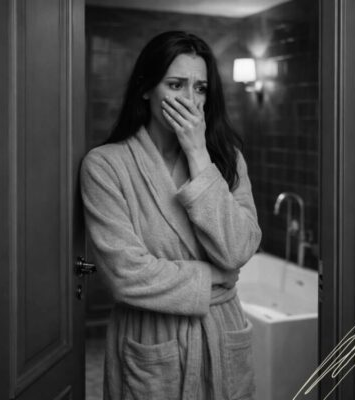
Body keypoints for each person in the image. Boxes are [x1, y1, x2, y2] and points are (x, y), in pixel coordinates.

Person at [80, 30, 262, 400]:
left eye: (200, 88)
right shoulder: (105, 166)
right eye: (176, 85)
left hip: (222, 331)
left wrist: (199, 156)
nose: (190, 100)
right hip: (152, 340)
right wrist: (215, 276)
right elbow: (126, 275)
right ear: (146, 88)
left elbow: (239, 249)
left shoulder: (227, 160)